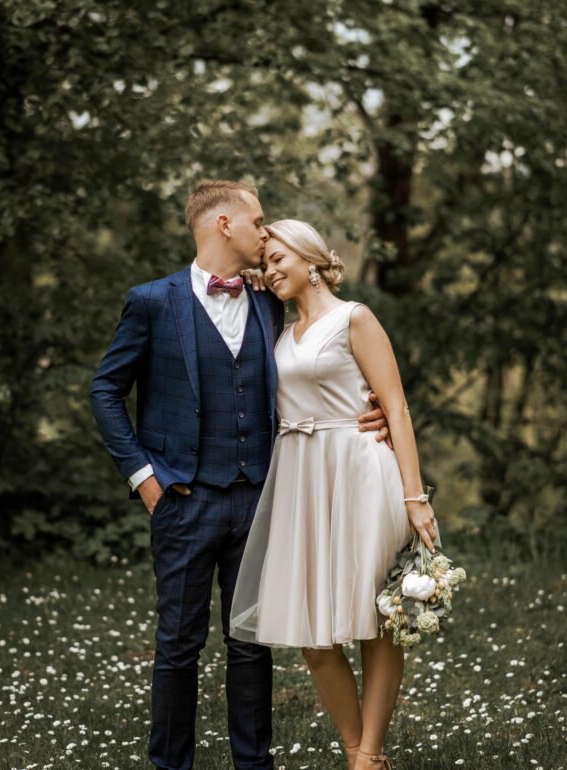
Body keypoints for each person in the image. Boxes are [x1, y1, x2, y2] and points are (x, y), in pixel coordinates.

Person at [90, 182, 389, 770]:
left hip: (261, 496)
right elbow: (105, 389)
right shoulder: (152, 301)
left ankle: (255, 765)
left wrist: (366, 407)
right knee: (179, 644)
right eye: (257, 221)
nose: (265, 230)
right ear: (224, 224)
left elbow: (317, 364)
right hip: (181, 497)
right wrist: (144, 477)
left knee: (250, 643)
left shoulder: (268, 299)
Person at [230, 219, 438, 770]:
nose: (271, 270)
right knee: (312, 636)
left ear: (312, 259)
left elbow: (394, 407)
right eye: (265, 262)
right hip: (301, 477)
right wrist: (254, 278)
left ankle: (366, 756)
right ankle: (354, 745)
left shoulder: (355, 318)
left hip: (359, 470)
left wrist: (415, 498)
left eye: (280, 259)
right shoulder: (277, 327)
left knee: (374, 618)